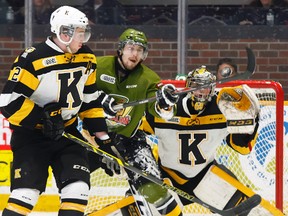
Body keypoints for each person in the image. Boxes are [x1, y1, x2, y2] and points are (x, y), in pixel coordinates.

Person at [0, 5, 115, 216]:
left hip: (68, 134)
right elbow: (8, 101)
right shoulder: (33, 59)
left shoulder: (86, 58)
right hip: (31, 137)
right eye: (80, 34)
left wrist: (103, 137)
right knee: (25, 196)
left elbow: (89, 101)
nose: (84, 39)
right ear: (64, 33)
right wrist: (43, 119)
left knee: (78, 190)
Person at [83, 28, 182, 215]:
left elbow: (161, 112)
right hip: (93, 137)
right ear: (121, 49)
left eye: (139, 50)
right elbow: (77, 90)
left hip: (130, 140)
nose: (135, 54)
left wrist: (166, 104)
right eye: (130, 48)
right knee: (73, 178)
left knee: (154, 189)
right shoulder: (98, 66)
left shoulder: (149, 78)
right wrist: (98, 98)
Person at [142, 65, 262, 214]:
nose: (201, 91)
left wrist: (251, 121)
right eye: (196, 86)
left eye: (206, 87)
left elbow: (241, 147)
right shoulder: (167, 109)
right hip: (166, 175)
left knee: (246, 210)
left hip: (205, 176)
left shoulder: (223, 109)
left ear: (212, 89)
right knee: (138, 209)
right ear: (187, 86)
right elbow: (135, 133)